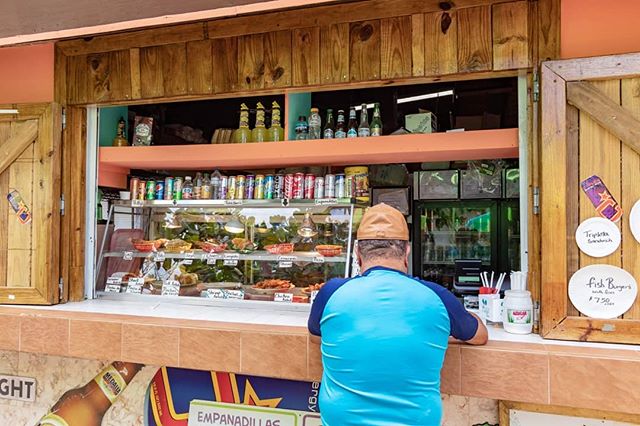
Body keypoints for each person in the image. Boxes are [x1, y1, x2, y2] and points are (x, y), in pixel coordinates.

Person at [308, 203, 488, 426]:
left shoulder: (330, 292)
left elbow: (317, 336)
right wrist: (439, 332)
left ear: (357, 254)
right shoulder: (438, 296)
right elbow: (479, 335)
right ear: (407, 251)